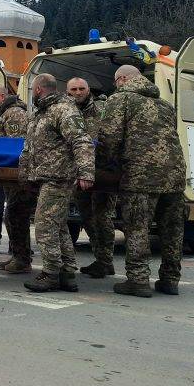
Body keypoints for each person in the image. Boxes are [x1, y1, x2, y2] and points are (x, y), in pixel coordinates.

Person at [98, 65, 187, 297]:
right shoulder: (165, 106)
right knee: (172, 230)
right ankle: (170, 279)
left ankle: (137, 280)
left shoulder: (121, 100)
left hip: (141, 175)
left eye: (117, 81)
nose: (116, 85)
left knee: (137, 227)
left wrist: (105, 166)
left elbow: (109, 137)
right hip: (174, 174)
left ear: (123, 79)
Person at [19, 73, 95, 293]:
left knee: (44, 225)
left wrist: (86, 172)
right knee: (58, 226)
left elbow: (81, 140)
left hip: (58, 177)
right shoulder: (41, 113)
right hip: (45, 176)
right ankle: (67, 272)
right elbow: (30, 147)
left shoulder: (63, 110)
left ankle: (50, 273)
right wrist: (26, 175)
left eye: (33, 89)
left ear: (39, 90)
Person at [66, 77, 116, 279]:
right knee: (86, 216)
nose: (78, 93)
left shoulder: (103, 109)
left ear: (88, 90)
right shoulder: (65, 111)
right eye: (73, 89)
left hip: (102, 172)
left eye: (81, 89)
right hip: (76, 172)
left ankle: (106, 261)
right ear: (67, 91)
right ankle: (101, 259)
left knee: (103, 217)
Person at [0, 84, 34, 274]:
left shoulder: (14, 113)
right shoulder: (2, 114)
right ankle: (18, 256)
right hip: (10, 176)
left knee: (16, 215)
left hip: (18, 175)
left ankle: (22, 259)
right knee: (12, 215)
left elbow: (18, 146)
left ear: (3, 96)